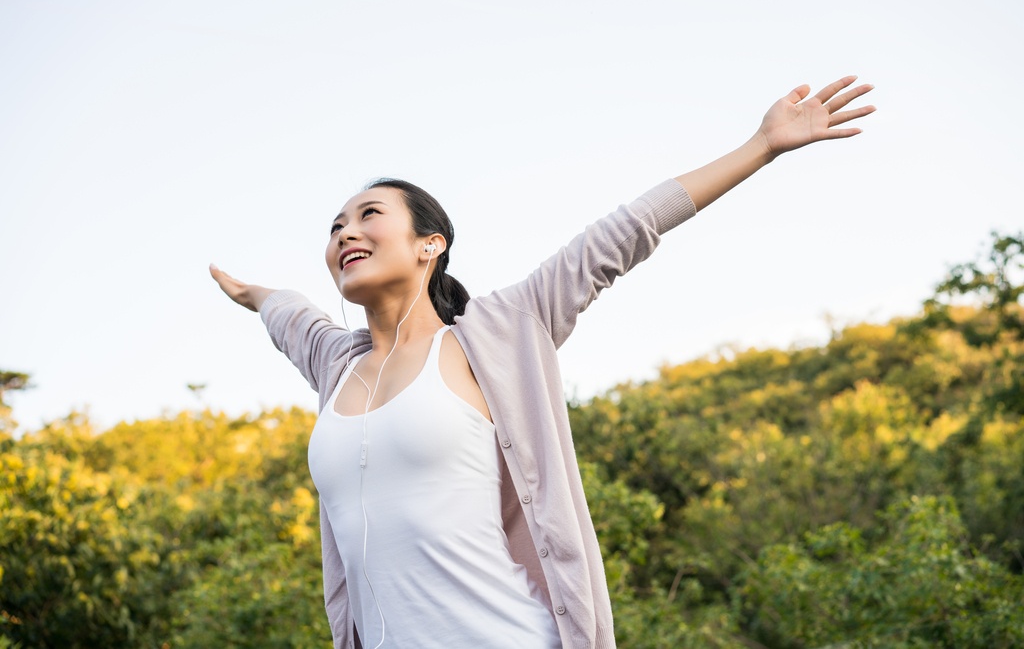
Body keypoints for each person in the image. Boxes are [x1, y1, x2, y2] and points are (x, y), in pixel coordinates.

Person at [210, 76, 875, 649]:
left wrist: (760, 146)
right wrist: (249, 292)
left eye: (368, 215)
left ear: (429, 244)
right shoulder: (335, 362)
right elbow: (287, 311)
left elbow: (625, 230)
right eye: (335, 226)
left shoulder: (498, 333)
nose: (345, 232)